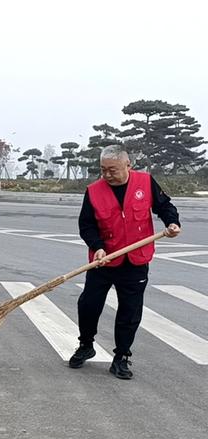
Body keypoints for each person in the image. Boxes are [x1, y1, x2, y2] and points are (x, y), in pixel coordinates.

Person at [69, 145, 181, 380]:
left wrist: (172, 223)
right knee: (88, 305)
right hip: (103, 260)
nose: (107, 175)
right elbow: (86, 225)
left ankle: (121, 357)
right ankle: (86, 345)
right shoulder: (93, 191)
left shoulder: (146, 183)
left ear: (128, 165)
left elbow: (165, 207)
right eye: (103, 170)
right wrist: (97, 247)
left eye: (113, 170)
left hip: (135, 260)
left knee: (129, 311)